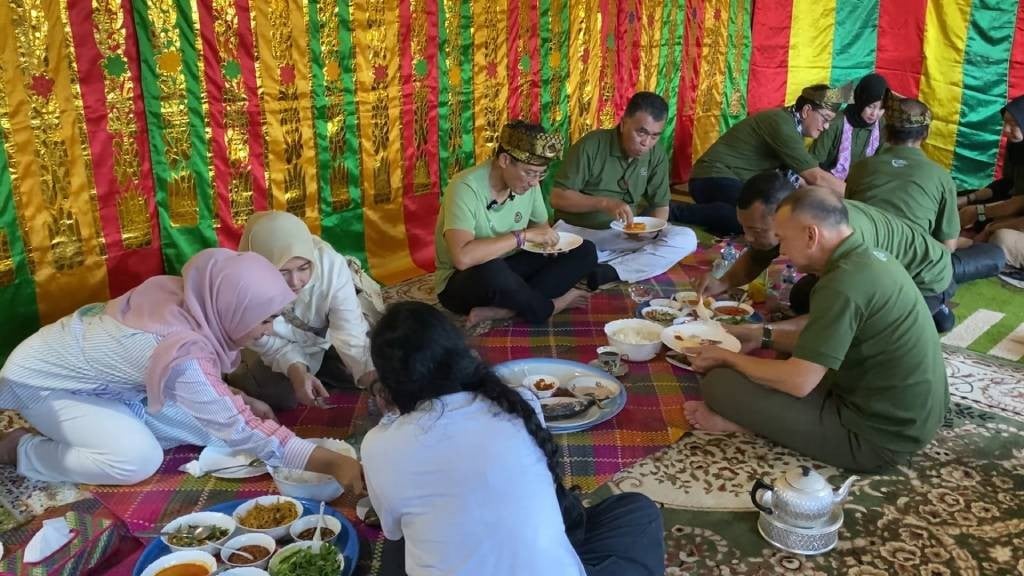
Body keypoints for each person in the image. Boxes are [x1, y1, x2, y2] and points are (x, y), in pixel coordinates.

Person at [0, 249, 363, 491]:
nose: (268, 331)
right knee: (137, 460)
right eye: (265, 320)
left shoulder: (194, 297)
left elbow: (197, 388)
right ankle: (21, 450)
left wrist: (238, 396)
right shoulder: (185, 350)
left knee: (213, 430)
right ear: (233, 307)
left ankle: (105, 426)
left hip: (105, 380)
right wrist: (334, 465)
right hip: (45, 383)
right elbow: (240, 426)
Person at [361, 301, 665, 576]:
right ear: (463, 354)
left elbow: (393, 529)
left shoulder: (379, 446)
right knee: (637, 511)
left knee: (398, 545)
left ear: (388, 386)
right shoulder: (519, 401)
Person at [684, 187, 948, 472]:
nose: (781, 250)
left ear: (811, 235)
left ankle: (746, 426)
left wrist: (727, 358)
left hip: (878, 439)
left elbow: (799, 381)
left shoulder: (844, 282)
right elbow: (824, 337)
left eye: (783, 239)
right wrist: (760, 336)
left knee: (720, 383)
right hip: (913, 416)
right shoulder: (867, 256)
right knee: (773, 363)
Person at [696, 171, 956, 331]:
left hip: (924, 278)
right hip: (875, 271)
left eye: (756, 230)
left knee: (865, 334)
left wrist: (767, 334)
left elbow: (829, 327)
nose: (748, 238)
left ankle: (935, 307)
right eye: (744, 228)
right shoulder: (796, 214)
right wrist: (723, 282)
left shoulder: (847, 243)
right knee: (801, 297)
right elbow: (759, 253)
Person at [435, 120, 596, 327]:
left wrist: (550, 242)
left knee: (584, 250)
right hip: (465, 281)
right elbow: (463, 258)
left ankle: (505, 310)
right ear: (504, 160)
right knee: (493, 269)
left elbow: (541, 229)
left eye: (540, 174)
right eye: (529, 172)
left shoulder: (530, 184)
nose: (534, 182)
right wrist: (522, 236)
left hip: (509, 268)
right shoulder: (465, 187)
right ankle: (549, 307)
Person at [226, 210, 379, 412]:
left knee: (373, 364)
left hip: (326, 335)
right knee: (279, 396)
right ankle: (320, 369)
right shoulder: (246, 286)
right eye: (283, 272)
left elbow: (349, 330)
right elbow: (270, 344)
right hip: (283, 344)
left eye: (303, 268)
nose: (295, 282)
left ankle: (327, 366)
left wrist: (374, 384)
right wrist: (298, 373)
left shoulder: (329, 265)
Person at [549, 91, 697, 288]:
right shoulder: (592, 145)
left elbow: (660, 205)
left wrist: (651, 230)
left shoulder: (656, 154)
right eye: (641, 132)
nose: (646, 143)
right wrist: (603, 203)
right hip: (581, 233)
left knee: (686, 239)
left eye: (654, 136)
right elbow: (557, 198)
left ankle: (611, 271)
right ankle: (618, 262)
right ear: (624, 122)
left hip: (624, 236)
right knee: (573, 248)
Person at [669, 83, 852, 236]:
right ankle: (673, 211)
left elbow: (802, 182)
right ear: (806, 111)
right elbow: (815, 176)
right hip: (712, 177)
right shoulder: (781, 124)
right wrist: (857, 194)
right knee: (753, 220)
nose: (826, 127)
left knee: (776, 214)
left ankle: (715, 213)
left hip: (733, 182)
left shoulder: (790, 127)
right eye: (825, 119)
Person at [845, 94, 959, 250]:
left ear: (886, 132)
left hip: (860, 257)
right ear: (925, 134)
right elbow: (948, 246)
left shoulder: (860, 168)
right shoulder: (942, 178)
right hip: (910, 268)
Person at [810, 73, 888, 179]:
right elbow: (813, 164)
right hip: (829, 181)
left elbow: (884, 162)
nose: (874, 114)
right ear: (861, 100)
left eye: (881, 109)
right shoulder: (836, 123)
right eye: (870, 106)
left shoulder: (881, 125)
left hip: (863, 183)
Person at [957, 95, 1024, 207]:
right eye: (1005, 123)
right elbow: (1007, 183)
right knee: (956, 199)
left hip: (1018, 211)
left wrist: (981, 212)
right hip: (1011, 201)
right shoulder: (1015, 145)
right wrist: (968, 199)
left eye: (1013, 124)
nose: (1006, 130)